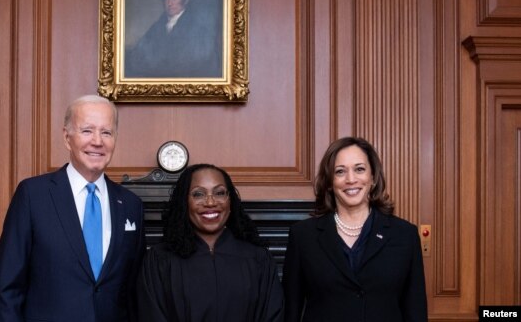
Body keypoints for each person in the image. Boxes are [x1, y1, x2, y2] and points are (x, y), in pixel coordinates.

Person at [0, 95, 146, 321]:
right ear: (67, 138)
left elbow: (135, 292)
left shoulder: (131, 205)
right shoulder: (33, 196)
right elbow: (8, 289)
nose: (97, 141)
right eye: (87, 131)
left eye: (106, 132)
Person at [282, 137, 427, 322]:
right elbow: (290, 312)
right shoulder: (302, 236)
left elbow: (415, 312)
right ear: (329, 182)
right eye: (340, 172)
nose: (351, 179)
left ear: (373, 177)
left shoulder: (405, 235)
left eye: (359, 169)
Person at [137, 163, 284, 321]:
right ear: (184, 202)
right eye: (198, 194)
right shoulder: (160, 260)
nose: (210, 202)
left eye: (219, 193)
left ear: (230, 201)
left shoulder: (257, 259)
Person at [126, 0, 222, 78]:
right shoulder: (157, 26)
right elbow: (137, 56)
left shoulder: (196, 28)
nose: (170, 3)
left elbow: (198, 63)